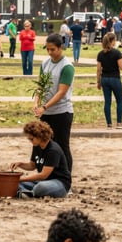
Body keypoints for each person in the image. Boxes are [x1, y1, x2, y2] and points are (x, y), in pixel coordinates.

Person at [34, 33, 75, 170]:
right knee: (45, 144)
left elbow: (61, 91)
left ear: (60, 47)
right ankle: (48, 175)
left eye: (53, 49)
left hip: (62, 112)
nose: (50, 52)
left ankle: (66, 178)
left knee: (62, 146)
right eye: (48, 49)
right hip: (46, 112)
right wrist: (36, 104)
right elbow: (40, 86)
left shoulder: (67, 66)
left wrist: (44, 107)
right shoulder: (45, 63)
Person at [11, 120, 72, 198]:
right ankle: (28, 193)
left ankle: (27, 192)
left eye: (31, 139)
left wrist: (20, 179)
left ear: (40, 136)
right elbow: (32, 165)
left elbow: (43, 175)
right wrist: (20, 164)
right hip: (44, 181)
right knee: (13, 184)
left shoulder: (53, 150)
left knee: (41, 187)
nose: (30, 141)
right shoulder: (36, 146)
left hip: (60, 183)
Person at [96, 32, 122, 129]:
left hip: (104, 79)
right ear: (112, 41)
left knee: (107, 102)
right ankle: (119, 123)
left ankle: (109, 123)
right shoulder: (116, 53)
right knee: (119, 101)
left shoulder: (100, 54)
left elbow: (98, 69)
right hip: (115, 78)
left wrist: (98, 81)